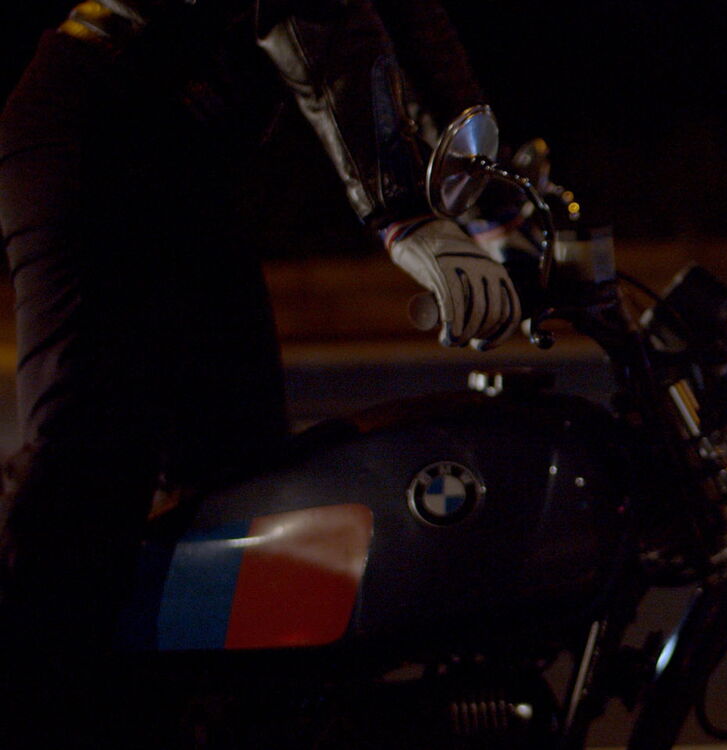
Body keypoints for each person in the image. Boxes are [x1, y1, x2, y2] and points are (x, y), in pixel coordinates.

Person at [0, 0, 517, 738]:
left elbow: (414, 20)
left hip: (184, 160)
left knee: (245, 485)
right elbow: (313, 14)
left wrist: (494, 206)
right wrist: (402, 212)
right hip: (100, 125)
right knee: (85, 469)